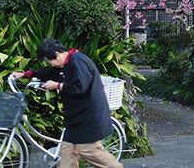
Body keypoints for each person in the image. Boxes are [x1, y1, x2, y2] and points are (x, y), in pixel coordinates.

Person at [11, 37, 122, 168]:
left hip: (90, 117)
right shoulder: (65, 64)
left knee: (88, 151)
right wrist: (24, 74)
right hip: (75, 118)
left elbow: (80, 86)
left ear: (57, 55)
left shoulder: (78, 61)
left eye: (49, 61)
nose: (50, 64)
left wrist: (57, 85)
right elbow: (48, 73)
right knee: (67, 156)